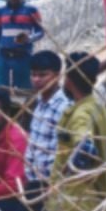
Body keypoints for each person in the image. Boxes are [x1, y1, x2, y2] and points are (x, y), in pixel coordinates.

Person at [46, 52, 106, 211]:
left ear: (69, 79)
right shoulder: (98, 107)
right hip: (91, 200)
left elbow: (86, 150)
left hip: (74, 204)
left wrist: (68, 170)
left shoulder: (81, 115)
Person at [0, 0, 44, 92]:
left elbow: (40, 32)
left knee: (24, 89)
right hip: (4, 55)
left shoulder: (31, 10)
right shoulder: (0, 11)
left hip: (23, 55)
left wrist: (29, 39)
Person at [26, 50, 69, 187]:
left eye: (43, 75)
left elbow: (61, 151)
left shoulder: (64, 107)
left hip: (50, 183)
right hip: (32, 179)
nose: (36, 80)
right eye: (33, 75)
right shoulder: (38, 103)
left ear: (57, 76)